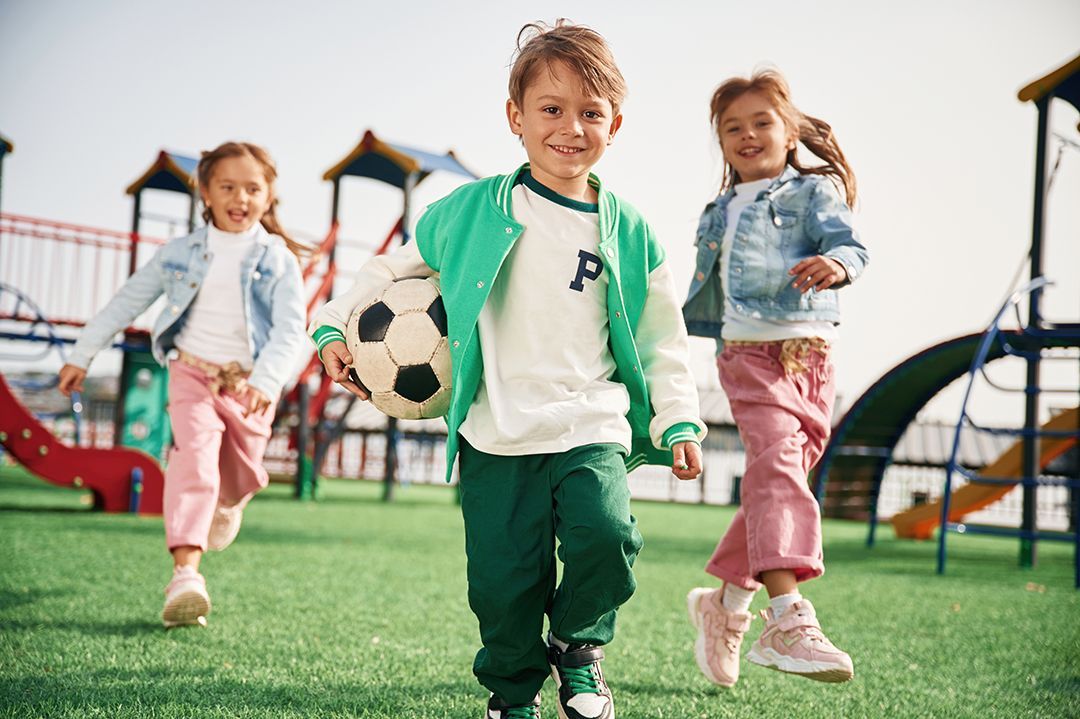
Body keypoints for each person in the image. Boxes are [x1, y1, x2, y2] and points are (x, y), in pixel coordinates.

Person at [310, 20, 705, 719]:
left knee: (608, 536)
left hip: (590, 420)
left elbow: (661, 335)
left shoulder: (629, 229)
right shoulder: (471, 210)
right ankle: (513, 692)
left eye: (591, 113)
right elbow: (390, 266)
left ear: (615, 125)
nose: (571, 127)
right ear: (515, 117)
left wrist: (677, 417)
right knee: (502, 580)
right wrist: (337, 321)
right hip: (497, 430)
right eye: (552, 109)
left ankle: (579, 650)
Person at [58, 141, 307, 629]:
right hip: (190, 372)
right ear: (206, 193)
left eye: (253, 188)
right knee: (193, 463)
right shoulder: (179, 254)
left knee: (238, 478)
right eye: (228, 187)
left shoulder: (279, 260)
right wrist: (81, 355)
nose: (241, 198)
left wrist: (267, 379)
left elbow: (289, 331)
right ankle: (186, 575)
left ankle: (227, 504)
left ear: (269, 194)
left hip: (250, 385)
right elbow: (125, 302)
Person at [682, 69, 869, 687]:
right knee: (780, 473)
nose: (746, 134)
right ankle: (788, 619)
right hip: (747, 355)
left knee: (774, 480)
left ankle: (727, 606)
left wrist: (836, 265)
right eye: (731, 127)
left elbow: (852, 247)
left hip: (811, 356)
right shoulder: (717, 209)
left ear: (790, 133)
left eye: (762, 121)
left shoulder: (812, 195)